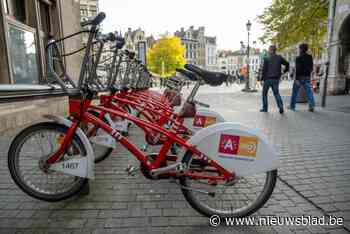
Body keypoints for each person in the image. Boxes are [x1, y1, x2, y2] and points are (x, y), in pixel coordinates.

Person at [260, 45, 289, 114]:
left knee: (264, 94)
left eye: (269, 49)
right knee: (276, 93)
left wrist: (261, 79)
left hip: (267, 79)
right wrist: (283, 72)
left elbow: (264, 70)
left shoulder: (266, 58)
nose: (268, 51)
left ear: (271, 50)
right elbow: (287, 64)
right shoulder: (279, 57)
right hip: (276, 79)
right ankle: (280, 106)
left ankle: (265, 108)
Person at [289, 43, 315, 112]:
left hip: (300, 77)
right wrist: (309, 74)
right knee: (309, 92)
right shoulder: (310, 57)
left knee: (295, 92)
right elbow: (311, 67)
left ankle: (292, 106)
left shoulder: (298, 58)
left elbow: (298, 68)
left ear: (301, 49)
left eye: (299, 48)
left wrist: (297, 79)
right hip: (307, 76)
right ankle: (311, 105)